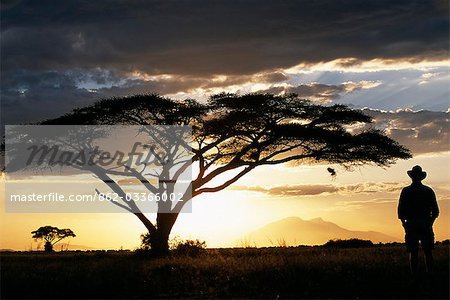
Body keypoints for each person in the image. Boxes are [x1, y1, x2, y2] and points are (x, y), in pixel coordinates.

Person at [398, 165, 439, 279]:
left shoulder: (406, 191)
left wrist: (405, 225)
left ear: (412, 177)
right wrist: (430, 223)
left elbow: (400, 211)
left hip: (411, 224)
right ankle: (430, 275)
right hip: (425, 223)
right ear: (421, 177)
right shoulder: (428, 191)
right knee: (428, 252)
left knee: (413, 252)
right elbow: (435, 211)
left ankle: (414, 276)